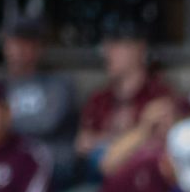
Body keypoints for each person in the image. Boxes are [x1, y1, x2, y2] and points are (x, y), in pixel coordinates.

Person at [75, 31, 178, 182]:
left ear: (139, 49)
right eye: (106, 46)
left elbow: (164, 146)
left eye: (116, 45)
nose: (107, 52)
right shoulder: (99, 97)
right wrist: (139, 134)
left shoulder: (160, 94)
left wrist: (108, 142)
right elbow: (82, 144)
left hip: (147, 179)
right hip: (102, 181)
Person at [0, 15, 76, 164]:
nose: (19, 49)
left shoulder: (58, 84)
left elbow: (47, 123)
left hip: (46, 159)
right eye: (13, 42)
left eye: (26, 43)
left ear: (40, 47)